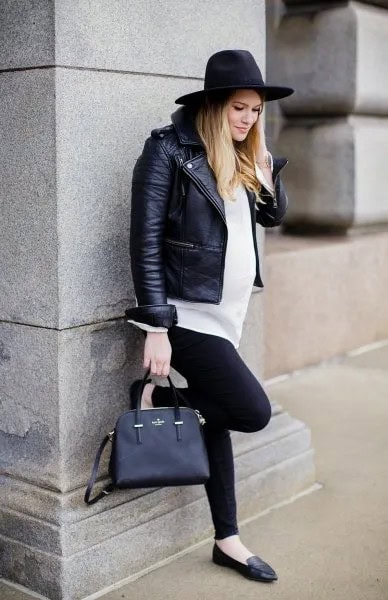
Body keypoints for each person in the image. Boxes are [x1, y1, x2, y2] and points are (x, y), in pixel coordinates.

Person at [125, 49, 294, 583]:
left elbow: (273, 215)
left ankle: (228, 540)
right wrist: (155, 326)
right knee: (250, 411)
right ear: (214, 105)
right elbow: (144, 241)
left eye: (256, 111)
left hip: (227, 317)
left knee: (217, 417)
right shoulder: (168, 152)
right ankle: (165, 402)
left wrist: (266, 169)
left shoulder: (245, 157)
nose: (247, 119)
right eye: (239, 109)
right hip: (187, 317)